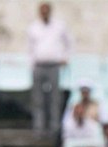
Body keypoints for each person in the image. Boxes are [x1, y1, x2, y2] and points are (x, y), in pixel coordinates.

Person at [28, 2, 72, 132]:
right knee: (38, 98)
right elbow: (30, 48)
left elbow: (69, 42)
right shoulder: (33, 27)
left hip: (54, 65)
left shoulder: (59, 26)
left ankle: (54, 127)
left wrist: (65, 57)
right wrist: (32, 64)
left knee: (55, 98)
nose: (44, 13)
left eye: (46, 11)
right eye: (42, 11)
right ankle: (39, 127)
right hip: (39, 65)